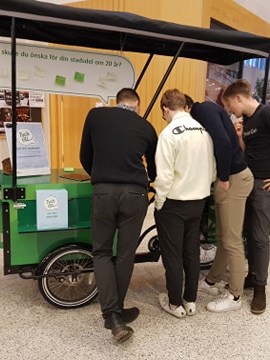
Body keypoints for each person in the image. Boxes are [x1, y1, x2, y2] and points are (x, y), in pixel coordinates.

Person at [79, 88, 157, 343]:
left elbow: (85, 156)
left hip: (103, 193)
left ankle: (111, 315)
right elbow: (154, 170)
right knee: (125, 255)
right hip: (135, 195)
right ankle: (117, 310)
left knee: (101, 252)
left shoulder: (95, 116)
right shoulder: (146, 127)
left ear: (117, 101)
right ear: (137, 103)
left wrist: (102, 176)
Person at [222, 79, 270, 314]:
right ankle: (252, 276)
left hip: (266, 184)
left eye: (229, 106)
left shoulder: (268, 114)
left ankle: (260, 288)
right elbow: (250, 152)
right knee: (247, 232)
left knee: (260, 236)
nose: (230, 111)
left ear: (238, 98)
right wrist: (241, 137)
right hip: (248, 182)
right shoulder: (250, 120)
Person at [154, 89, 216, 318]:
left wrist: (159, 203)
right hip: (198, 201)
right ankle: (190, 301)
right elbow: (212, 170)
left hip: (174, 203)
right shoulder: (203, 132)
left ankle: (173, 303)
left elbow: (165, 176)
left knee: (172, 255)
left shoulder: (169, 134)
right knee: (191, 252)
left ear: (166, 109)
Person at [190, 100, 254, 313]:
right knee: (223, 236)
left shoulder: (201, 110)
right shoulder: (208, 109)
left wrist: (224, 178)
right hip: (233, 177)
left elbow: (224, 143)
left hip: (234, 178)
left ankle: (235, 295)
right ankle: (211, 281)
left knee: (232, 239)